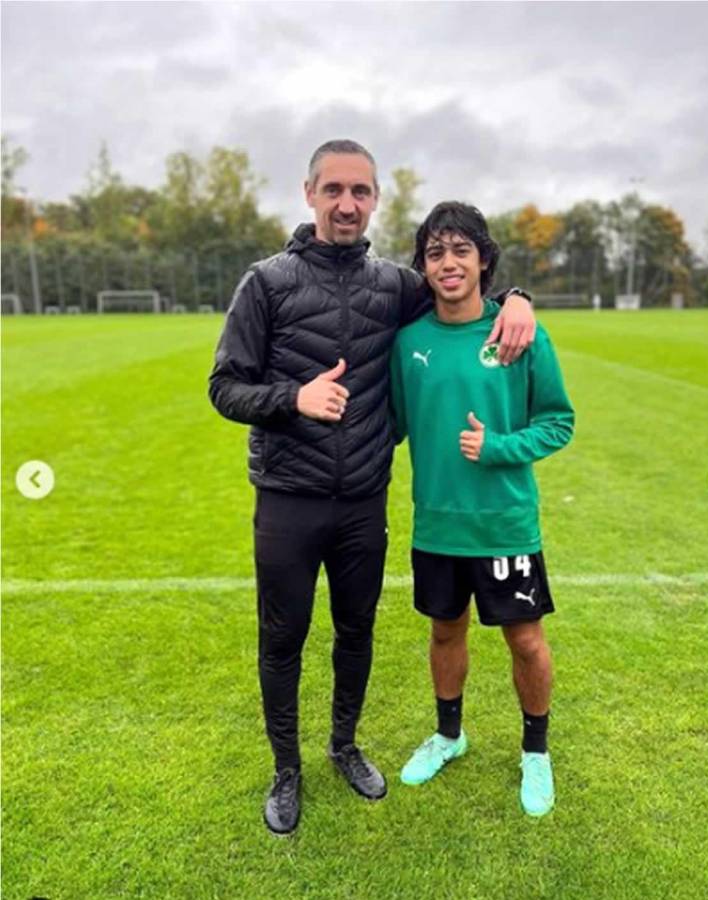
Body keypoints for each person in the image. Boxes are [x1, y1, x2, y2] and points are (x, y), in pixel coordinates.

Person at [208, 140, 536, 836]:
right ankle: (286, 769)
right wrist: (293, 399)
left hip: (363, 499)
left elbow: (463, 286)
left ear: (376, 200)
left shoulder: (395, 283)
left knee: (357, 631)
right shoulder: (265, 283)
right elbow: (224, 386)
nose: (347, 203)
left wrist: (518, 299)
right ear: (309, 195)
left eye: (360, 191)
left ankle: (345, 746)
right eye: (334, 190)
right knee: (283, 636)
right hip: (288, 500)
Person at [389, 201, 574, 817]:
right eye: (435, 253)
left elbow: (558, 421)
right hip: (437, 524)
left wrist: (499, 448)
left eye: (460, 250)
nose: (448, 263)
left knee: (525, 640)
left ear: (483, 260)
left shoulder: (518, 333)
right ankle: (449, 735)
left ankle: (536, 751)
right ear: (423, 266)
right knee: (445, 631)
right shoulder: (408, 342)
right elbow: (387, 423)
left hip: (504, 524)